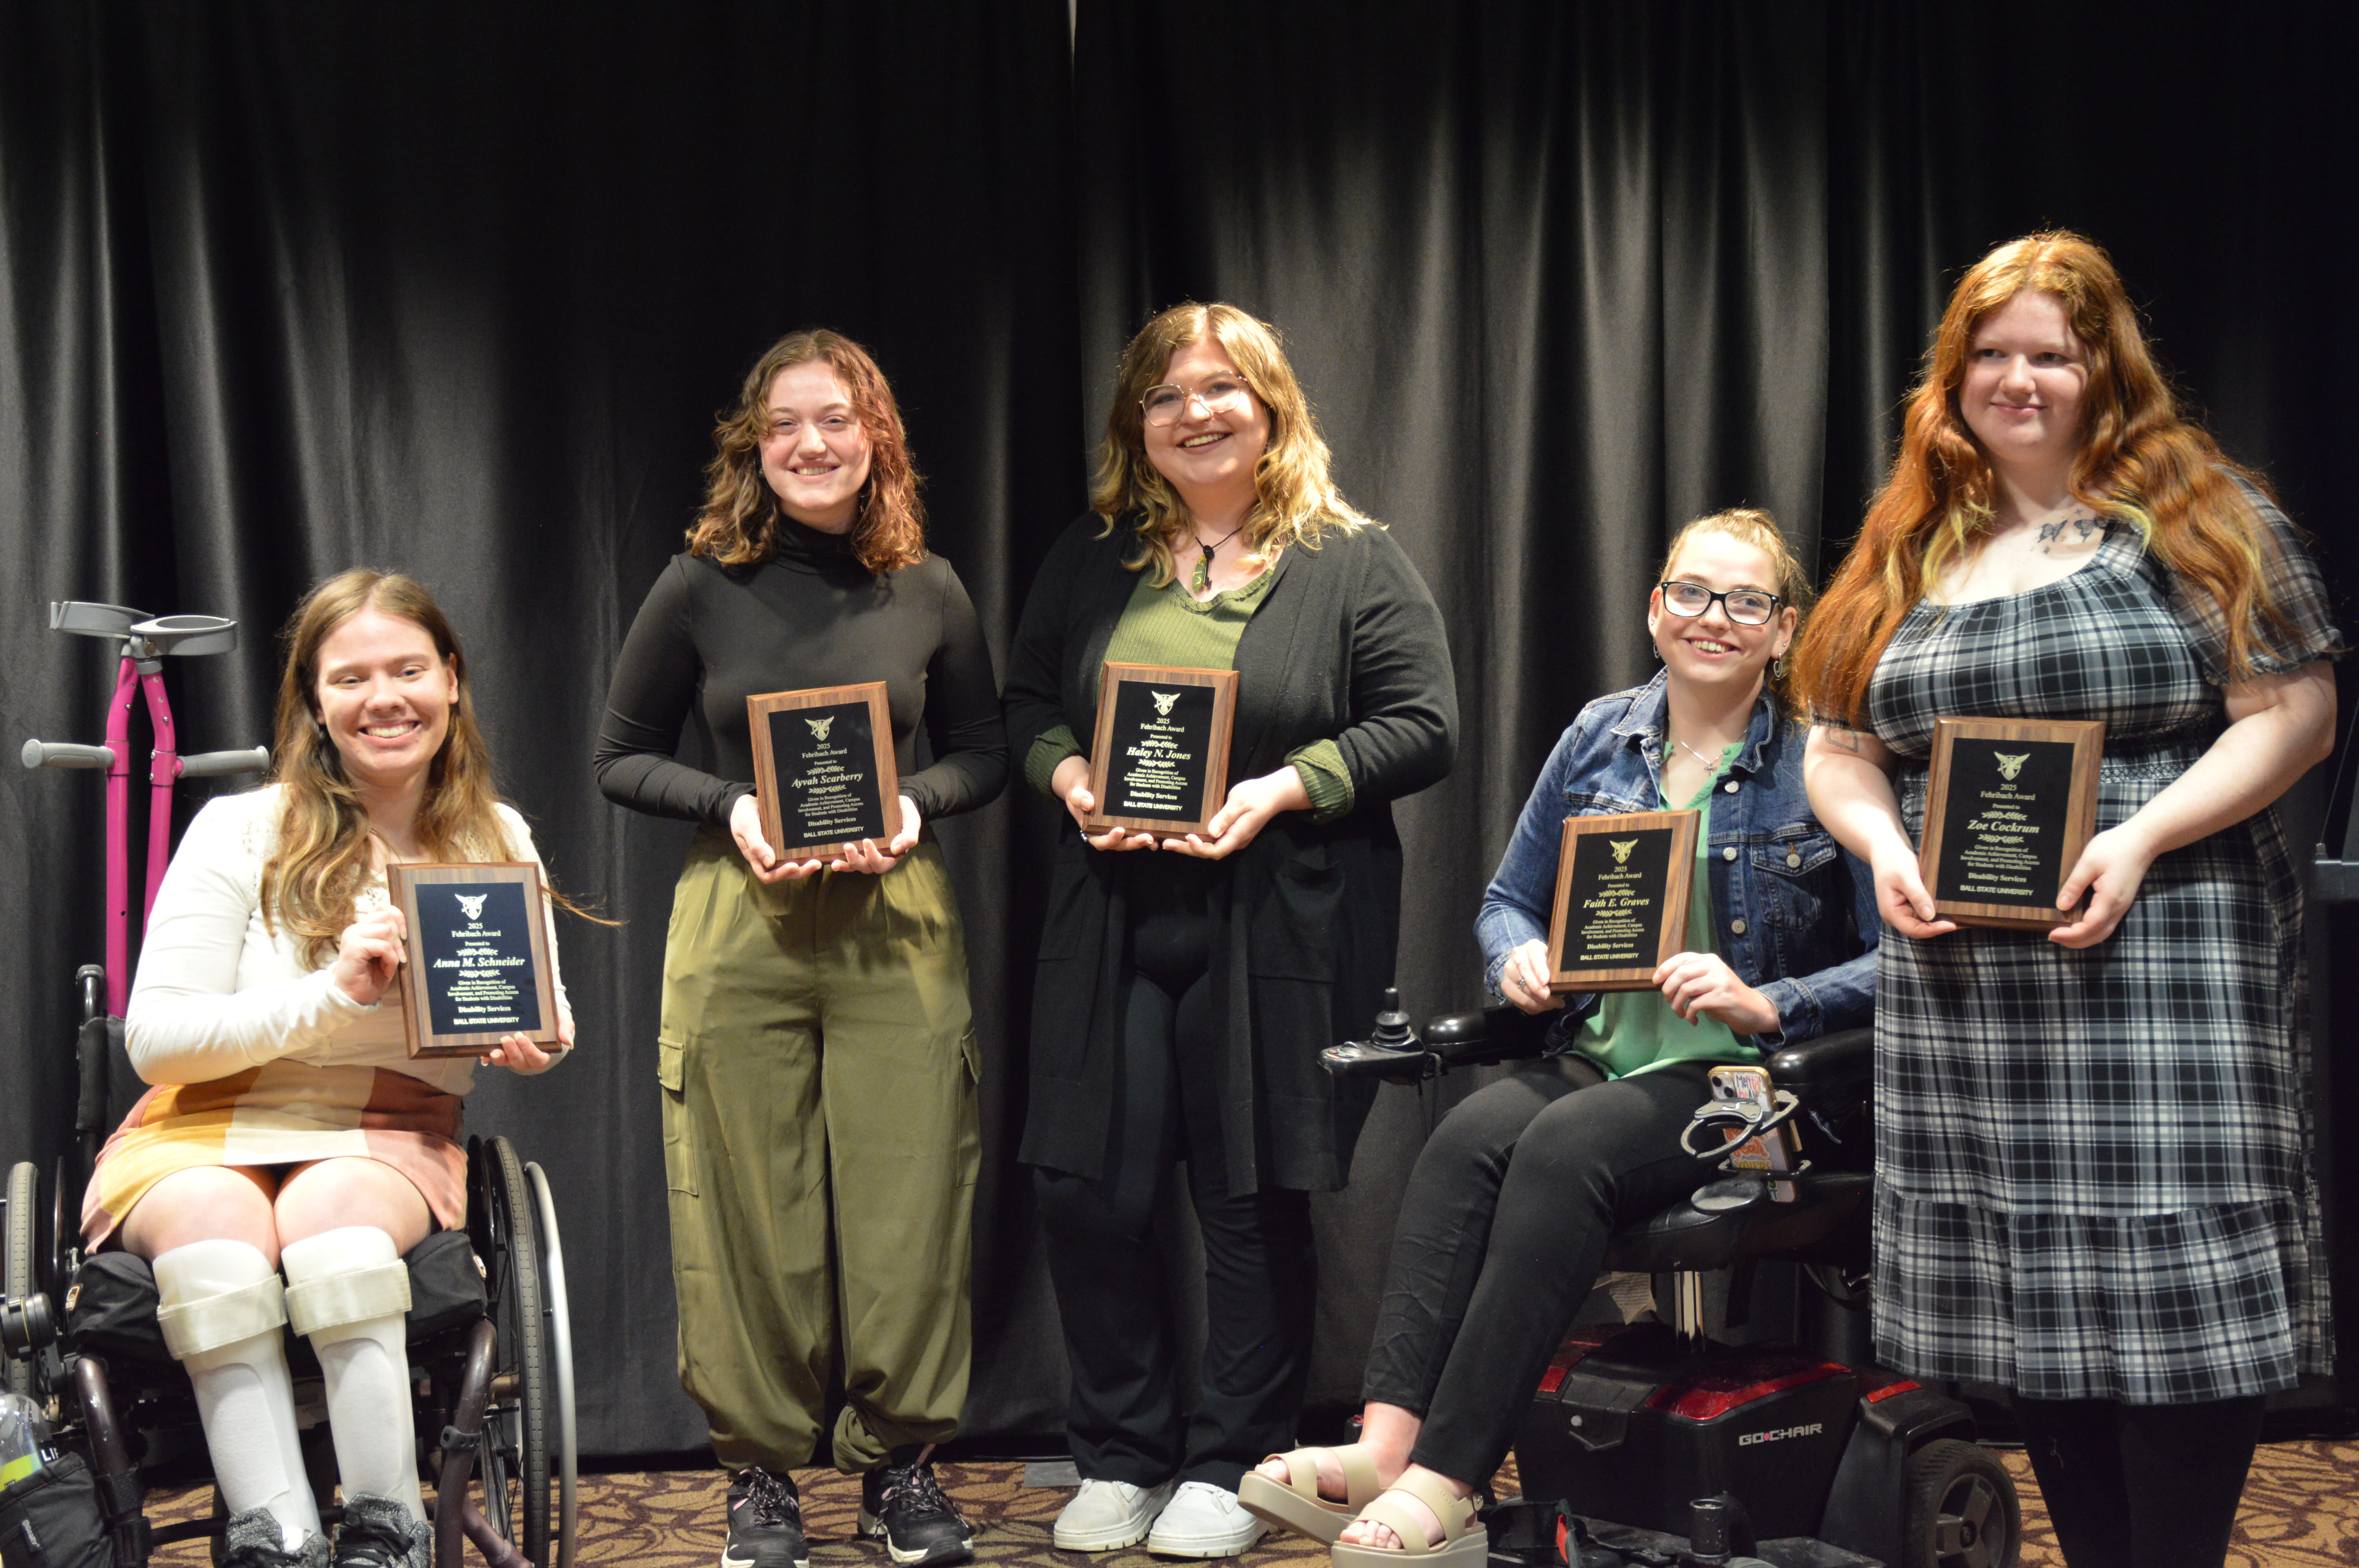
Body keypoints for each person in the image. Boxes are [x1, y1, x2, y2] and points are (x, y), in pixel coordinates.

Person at [1792, 232, 2339, 1568]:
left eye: (2050, 353)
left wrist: (2140, 836)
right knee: (2028, 1302)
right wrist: (1884, 848)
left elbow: (2296, 711)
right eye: (1991, 353)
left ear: (2105, 368)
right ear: (1953, 374)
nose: (2018, 379)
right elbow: (1837, 748)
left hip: (2165, 966)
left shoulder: (2202, 513)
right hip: (1970, 993)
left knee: (2176, 1302)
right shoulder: (1911, 541)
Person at [1239, 509, 1878, 1566]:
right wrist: (1518, 958)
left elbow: (1901, 960)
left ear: (1782, 629)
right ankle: (1387, 1446)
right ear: (1655, 608)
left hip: (1753, 1089)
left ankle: (1451, 1478)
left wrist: (1773, 1002)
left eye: (1745, 601)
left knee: (1564, 1148)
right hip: (1601, 1056)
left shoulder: (1822, 759)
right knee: (1462, 1141)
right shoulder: (1598, 736)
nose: (1713, 617)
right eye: (1692, 592)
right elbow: (1506, 902)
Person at [1002, 301, 1456, 1559]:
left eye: (1220, 390)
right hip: (1110, 917)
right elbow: (1028, 702)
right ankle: (1120, 1453)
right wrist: (1069, 778)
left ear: (1271, 409)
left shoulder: (1351, 560)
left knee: (1249, 1194)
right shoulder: (1094, 556)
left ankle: (1227, 1464)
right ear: (1135, 424)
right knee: (1087, 1189)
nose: (1194, 413)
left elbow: (1424, 723)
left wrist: (1283, 788)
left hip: (1276, 925)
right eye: (1166, 395)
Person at [595, 329, 1003, 1568]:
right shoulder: (697, 586)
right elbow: (620, 757)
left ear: (876, 436)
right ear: (752, 445)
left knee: (909, 1198)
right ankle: (759, 1477)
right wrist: (732, 807)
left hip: (896, 918)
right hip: (741, 915)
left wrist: (912, 805)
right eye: (783, 425)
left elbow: (983, 751)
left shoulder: (928, 588)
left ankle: (900, 1469)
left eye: (834, 420)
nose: (809, 444)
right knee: (742, 1199)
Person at [91, 570, 574, 1568]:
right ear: (315, 701)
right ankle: (279, 1537)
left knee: (334, 1222)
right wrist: (333, 994)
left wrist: (539, 1037)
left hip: (386, 1126)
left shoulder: (493, 834)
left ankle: (386, 1530)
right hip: (202, 1123)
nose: (383, 697)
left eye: (408, 669)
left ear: (451, 679)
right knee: (214, 1234)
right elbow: (157, 1039)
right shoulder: (241, 827)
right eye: (351, 677)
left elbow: (545, 1010)